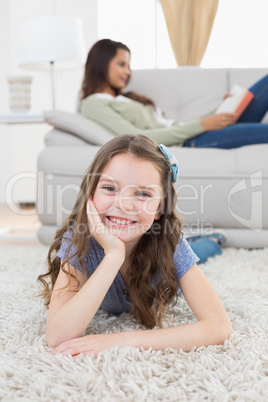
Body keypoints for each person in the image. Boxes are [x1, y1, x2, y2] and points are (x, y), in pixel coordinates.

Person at [38, 134, 232, 358]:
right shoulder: (79, 239)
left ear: (160, 207)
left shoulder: (170, 242)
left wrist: (124, 340)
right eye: (110, 188)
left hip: (163, 241)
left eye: (142, 194)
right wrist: (113, 255)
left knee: (202, 251)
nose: (124, 205)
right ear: (90, 193)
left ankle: (213, 240)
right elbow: (58, 337)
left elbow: (219, 327)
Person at [79, 39, 268, 149]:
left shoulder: (124, 98)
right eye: (121, 64)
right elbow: (139, 138)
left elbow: (177, 125)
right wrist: (203, 125)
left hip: (195, 132)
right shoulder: (93, 104)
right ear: (100, 63)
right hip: (190, 141)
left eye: (128, 66)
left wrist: (217, 111)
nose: (128, 72)